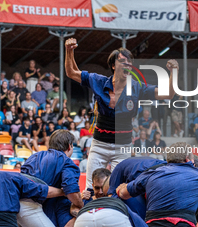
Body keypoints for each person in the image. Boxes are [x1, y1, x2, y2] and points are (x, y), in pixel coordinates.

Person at [65, 37, 179, 189]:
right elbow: (71, 72)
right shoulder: (98, 81)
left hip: (123, 147)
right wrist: (69, 51)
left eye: (129, 63)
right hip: (99, 145)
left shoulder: (138, 87)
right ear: (113, 66)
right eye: (123, 62)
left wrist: (174, 73)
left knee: (115, 188)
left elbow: (169, 94)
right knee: (91, 189)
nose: (128, 65)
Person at [117, 142, 198, 227]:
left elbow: (123, 193)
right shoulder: (197, 174)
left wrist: (121, 187)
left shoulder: (150, 174)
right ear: (187, 159)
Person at [21, 130, 84, 227]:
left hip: (16, 204)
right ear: (69, 146)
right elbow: (71, 191)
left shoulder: (34, 156)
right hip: (34, 207)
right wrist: (81, 204)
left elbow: (22, 179)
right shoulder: (67, 162)